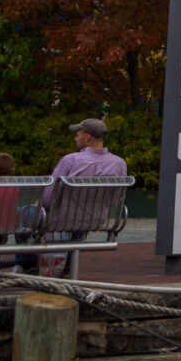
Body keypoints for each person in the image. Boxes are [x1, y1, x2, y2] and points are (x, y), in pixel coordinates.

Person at [33, 118, 129, 276]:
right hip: (95, 220)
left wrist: (39, 205)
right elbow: (115, 200)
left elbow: (49, 197)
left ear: (87, 138)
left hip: (62, 221)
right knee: (68, 218)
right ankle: (68, 263)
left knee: (27, 213)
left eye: (78, 135)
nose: (75, 138)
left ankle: (24, 263)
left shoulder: (71, 160)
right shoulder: (119, 163)